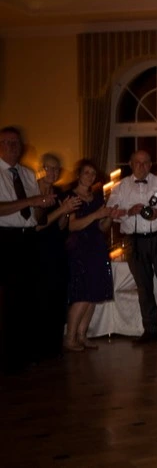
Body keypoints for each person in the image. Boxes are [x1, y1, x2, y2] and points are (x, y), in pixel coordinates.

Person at [107, 150, 157, 345]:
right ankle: (150, 330)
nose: (142, 166)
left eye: (145, 163)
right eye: (137, 163)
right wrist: (128, 212)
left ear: (150, 165)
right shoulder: (121, 187)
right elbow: (111, 212)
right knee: (144, 287)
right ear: (130, 164)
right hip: (134, 240)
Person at [0, 126, 56, 374]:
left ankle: (26, 351)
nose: (13, 147)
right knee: (7, 298)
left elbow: (36, 215)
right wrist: (32, 201)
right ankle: (7, 356)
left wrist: (43, 203)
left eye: (16, 143)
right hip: (5, 239)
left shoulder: (26, 172)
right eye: (8, 142)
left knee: (28, 295)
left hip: (28, 238)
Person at [63, 160, 124, 351]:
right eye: (86, 172)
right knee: (82, 293)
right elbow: (71, 226)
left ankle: (82, 335)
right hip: (80, 248)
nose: (90, 176)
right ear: (79, 174)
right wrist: (97, 215)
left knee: (94, 293)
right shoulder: (71, 197)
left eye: (93, 173)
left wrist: (109, 217)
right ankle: (70, 337)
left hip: (97, 246)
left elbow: (102, 228)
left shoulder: (97, 198)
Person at [35, 154, 81, 359]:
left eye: (57, 169)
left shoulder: (58, 193)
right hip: (36, 251)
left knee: (58, 296)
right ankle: (38, 345)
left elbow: (61, 227)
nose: (53, 173)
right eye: (49, 168)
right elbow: (37, 225)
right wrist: (62, 209)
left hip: (56, 250)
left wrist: (66, 212)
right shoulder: (32, 191)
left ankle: (54, 345)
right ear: (41, 168)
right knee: (39, 298)